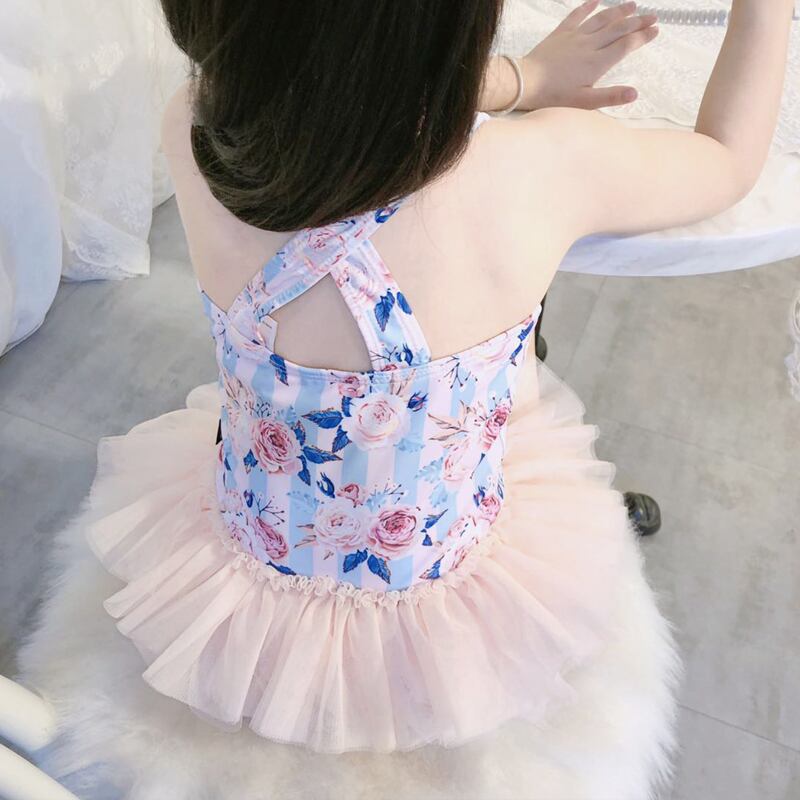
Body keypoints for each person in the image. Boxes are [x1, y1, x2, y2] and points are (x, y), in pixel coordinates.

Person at [76, 0, 790, 779]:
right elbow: (727, 158)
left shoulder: (194, 127)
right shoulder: (541, 170)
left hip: (248, 550)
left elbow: (328, 74)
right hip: (441, 591)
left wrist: (526, 77)